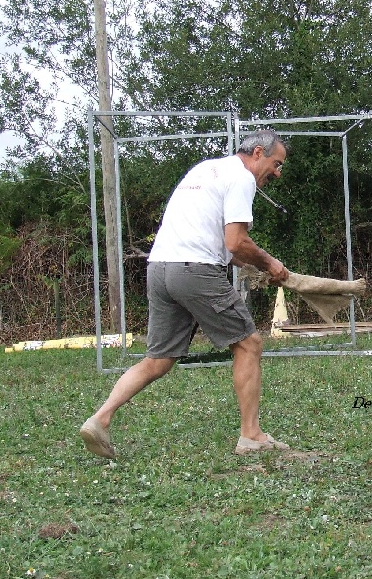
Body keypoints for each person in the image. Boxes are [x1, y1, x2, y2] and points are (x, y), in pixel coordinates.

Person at [80, 129, 291, 459]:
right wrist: (270, 262)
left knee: (158, 360)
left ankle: (100, 418)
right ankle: (251, 436)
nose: (277, 173)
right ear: (258, 153)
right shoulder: (242, 178)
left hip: (160, 267)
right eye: (276, 164)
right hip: (194, 270)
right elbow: (236, 242)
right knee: (249, 344)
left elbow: (224, 246)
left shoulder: (205, 169)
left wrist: (262, 266)